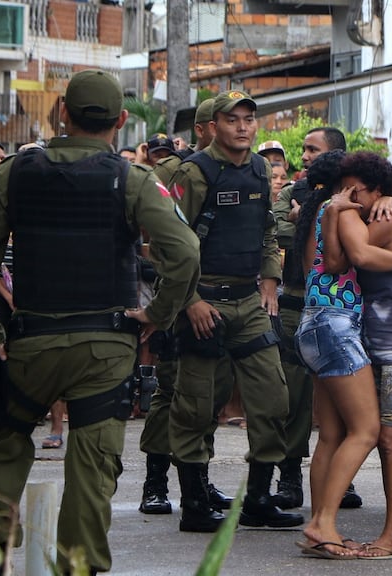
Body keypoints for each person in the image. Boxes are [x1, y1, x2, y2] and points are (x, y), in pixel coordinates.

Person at [0, 69, 201, 573]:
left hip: (26, 344)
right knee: (91, 471)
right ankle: (77, 567)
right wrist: (157, 314)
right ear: (122, 119)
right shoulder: (132, 179)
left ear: (62, 112)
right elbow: (185, 252)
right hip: (104, 348)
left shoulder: (13, 174)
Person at [167, 90, 300, 533]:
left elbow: (266, 231)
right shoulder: (195, 173)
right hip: (204, 301)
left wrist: (269, 279)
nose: (243, 127)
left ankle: (259, 499)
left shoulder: (260, 168)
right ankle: (194, 502)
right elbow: (170, 244)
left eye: (249, 118)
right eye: (232, 120)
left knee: (273, 399)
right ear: (214, 126)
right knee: (197, 405)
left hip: (249, 301)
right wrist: (190, 301)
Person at [293, 150, 392, 559]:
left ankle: (322, 527)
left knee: (332, 435)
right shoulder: (345, 210)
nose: (351, 193)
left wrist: (389, 199)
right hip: (337, 325)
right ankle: (322, 523)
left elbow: (331, 261)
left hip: (313, 323)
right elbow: (358, 257)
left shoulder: (320, 214)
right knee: (368, 430)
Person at [138, 97, 231, 517]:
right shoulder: (173, 172)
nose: (235, 130)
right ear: (203, 129)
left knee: (210, 395)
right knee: (172, 391)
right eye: (224, 122)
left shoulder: (245, 171)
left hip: (227, 297)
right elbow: (158, 245)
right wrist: (185, 298)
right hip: (181, 298)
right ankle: (155, 482)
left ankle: (200, 480)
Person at [271, 125, 363, 511]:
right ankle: (290, 474)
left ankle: (343, 479)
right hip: (296, 302)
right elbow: (272, 227)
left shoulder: (350, 195)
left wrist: (309, 219)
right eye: (304, 149)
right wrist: (308, 220)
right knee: (293, 396)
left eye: (313, 150)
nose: (304, 157)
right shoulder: (295, 192)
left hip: (342, 311)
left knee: (341, 401)